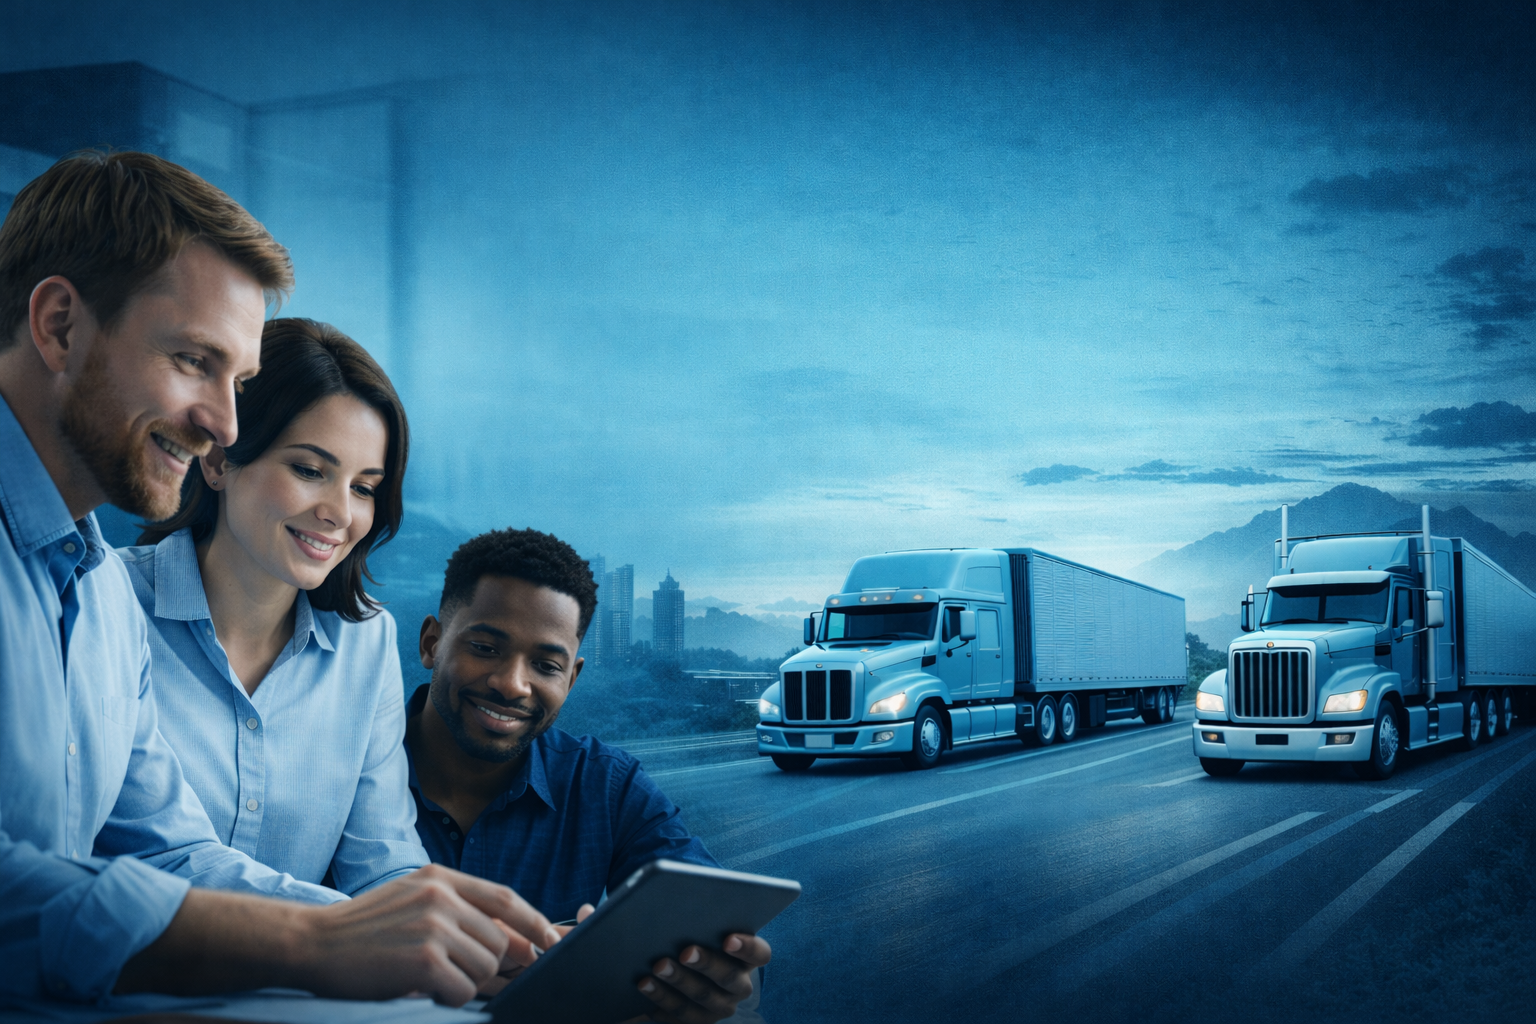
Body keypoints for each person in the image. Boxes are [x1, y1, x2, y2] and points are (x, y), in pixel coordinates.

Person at [0, 150, 559, 1010]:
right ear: (60, 326)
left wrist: (454, 935)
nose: (223, 424)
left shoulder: (97, 597)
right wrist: (317, 942)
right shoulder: (125, 590)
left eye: (240, 381)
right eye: (194, 360)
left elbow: (170, 853)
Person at [405, 527, 772, 1023]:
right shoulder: (341, 766)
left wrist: (726, 978)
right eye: (486, 648)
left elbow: (715, 920)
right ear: (432, 643)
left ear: (572, 678)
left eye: (545, 665)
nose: (513, 684)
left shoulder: (606, 785)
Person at [121, 317, 430, 895]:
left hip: (305, 985)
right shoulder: (109, 604)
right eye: (310, 470)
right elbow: (157, 860)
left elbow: (384, 862)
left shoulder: (367, 642)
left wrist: (475, 938)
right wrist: (367, 930)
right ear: (216, 463)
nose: (340, 513)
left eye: (364, 488)